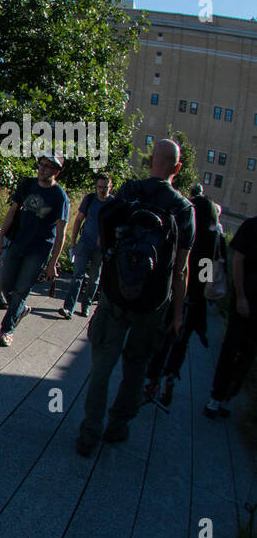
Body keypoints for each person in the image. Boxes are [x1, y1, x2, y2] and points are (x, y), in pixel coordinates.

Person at [76, 139, 194, 456]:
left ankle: (89, 433)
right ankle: (117, 428)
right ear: (177, 169)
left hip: (115, 295)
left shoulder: (128, 193)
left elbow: (104, 236)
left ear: (150, 161)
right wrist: (179, 314)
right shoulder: (184, 209)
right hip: (152, 304)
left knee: (101, 365)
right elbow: (181, 270)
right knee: (136, 368)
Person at [145, 183, 222, 407]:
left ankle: (152, 380)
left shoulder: (187, 227)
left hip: (177, 290)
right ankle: (171, 375)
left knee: (164, 335)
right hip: (195, 298)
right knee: (181, 341)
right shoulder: (213, 234)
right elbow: (210, 265)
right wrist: (202, 291)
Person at [0, 153, 69, 346]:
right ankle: (21, 309)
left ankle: (7, 330)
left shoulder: (60, 197)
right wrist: (2, 234)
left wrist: (52, 263)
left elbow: (61, 233)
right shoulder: (28, 184)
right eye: (42, 164)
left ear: (56, 172)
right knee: (7, 285)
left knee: (20, 290)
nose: (42, 168)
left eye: (48, 166)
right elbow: (13, 211)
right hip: (17, 243)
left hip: (38, 250)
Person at [204, 212, 257, 418]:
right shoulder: (250, 227)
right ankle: (217, 396)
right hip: (244, 299)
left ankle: (227, 396)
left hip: (242, 296)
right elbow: (235, 260)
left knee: (247, 353)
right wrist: (241, 296)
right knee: (232, 348)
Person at [58, 173, 112, 319]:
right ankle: (68, 308)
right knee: (77, 276)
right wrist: (74, 242)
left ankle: (86, 306)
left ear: (110, 187)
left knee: (94, 278)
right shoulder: (90, 199)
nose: (102, 190)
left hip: (101, 248)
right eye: (99, 187)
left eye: (105, 187)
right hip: (84, 243)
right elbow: (78, 220)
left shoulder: (113, 204)